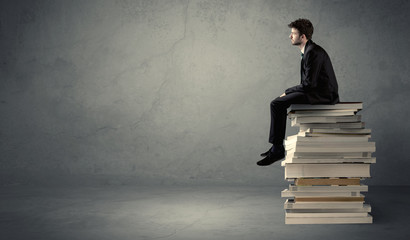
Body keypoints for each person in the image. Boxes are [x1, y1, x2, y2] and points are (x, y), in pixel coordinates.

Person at [257, 18, 339, 166]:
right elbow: (308, 83)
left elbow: (308, 84)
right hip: (315, 91)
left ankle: (277, 150)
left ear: (303, 37)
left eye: (293, 33)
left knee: (276, 103)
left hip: (323, 95)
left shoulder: (312, 52)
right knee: (277, 103)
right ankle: (276, 147)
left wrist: (287, 92)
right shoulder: (309, 50)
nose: (290, 36)